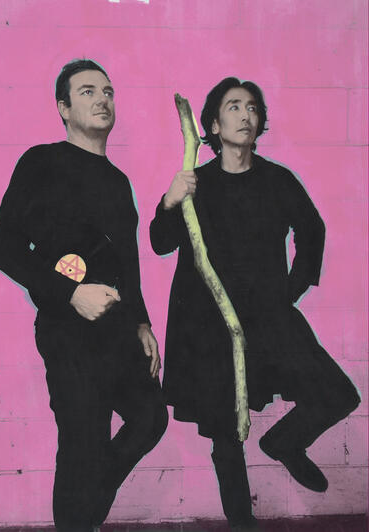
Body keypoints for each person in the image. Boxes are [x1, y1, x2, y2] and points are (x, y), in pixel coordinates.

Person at [150, 77, 360, 532]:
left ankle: (285, 442)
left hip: (268, 316)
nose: (246, 115)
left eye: (252, 107)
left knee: (338, 394)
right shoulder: (196, 183)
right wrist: (170, 199)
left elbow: (312, 230)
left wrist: (290, 291)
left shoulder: (277, 180)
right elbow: (160, 243)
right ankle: (242, 524)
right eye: (234, 106)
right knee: (226, 434)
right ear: (212, 124)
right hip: (208, 326)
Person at [0, 59, 168, 532]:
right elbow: (1, 247)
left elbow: (127, 262)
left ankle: (81, 513)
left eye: (107, 91)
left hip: (119, 331)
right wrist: (71, 294)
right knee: (82, 445)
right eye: (87, 91)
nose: (102, 99)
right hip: (68, 332)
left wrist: (142, 322)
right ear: (63, 108)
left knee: (150, 418)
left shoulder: (118, 181)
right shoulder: (41, 162)